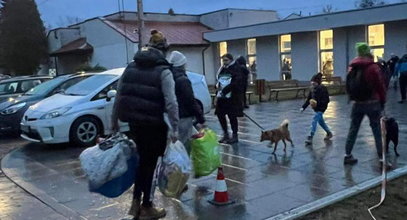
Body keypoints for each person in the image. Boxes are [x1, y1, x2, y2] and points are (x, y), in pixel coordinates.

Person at [112, 29, 179, 219]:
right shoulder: (163, 70)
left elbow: (119, 95)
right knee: (150, 166)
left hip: (133, 124)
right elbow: (171, 102)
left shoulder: (131, 67)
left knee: (141, 163)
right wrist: (174, 128)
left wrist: (113, 122)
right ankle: (147, 206)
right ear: (163, 50)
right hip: (154, 125)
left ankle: (135, 204)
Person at [344, 42, 387, 166]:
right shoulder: (373, 67)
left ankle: (347, 155)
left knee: (353, 129)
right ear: (368, 52)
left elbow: (348, 85)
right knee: (377, 130)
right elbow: (380, 86)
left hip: (357, 104)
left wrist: (351, 97)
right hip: (373, 103)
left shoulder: (352, 67)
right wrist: (383, 101)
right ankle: (382, 158)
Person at [168, 51, 206, 150]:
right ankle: (184, 164)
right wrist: (200, 118)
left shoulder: (168, 77)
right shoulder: (183, 80)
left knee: (174, 145)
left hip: (171, 116)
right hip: (184, 116)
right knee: (184, 145)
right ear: (181, 65)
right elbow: (190, 101)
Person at [215, 53, 244, 144]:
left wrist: (225, 90)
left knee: (232, 116)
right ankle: (226, 134)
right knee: (220, 114)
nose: (224, 62)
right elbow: (219, 80)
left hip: (232, 97)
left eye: (226, 60)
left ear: (231, 60)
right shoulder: (223, 68)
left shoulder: (236, 68)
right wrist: (218, 90)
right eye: (223, 60)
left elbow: (236, 82)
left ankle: (234, 135)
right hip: (222, 97)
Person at [301, 72, 332, 145]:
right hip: (316, 108)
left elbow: (327, 100)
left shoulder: (323, 89)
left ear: (317, 83)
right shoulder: (312, 89)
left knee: (315, 119)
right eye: (312, 82)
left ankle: (310, 136)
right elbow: (309, 99)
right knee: (321, 122)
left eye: (314, 82)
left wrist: (318, 103)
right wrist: (303, 107)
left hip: (321, 108)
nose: (312, 84)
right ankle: (329, 133)